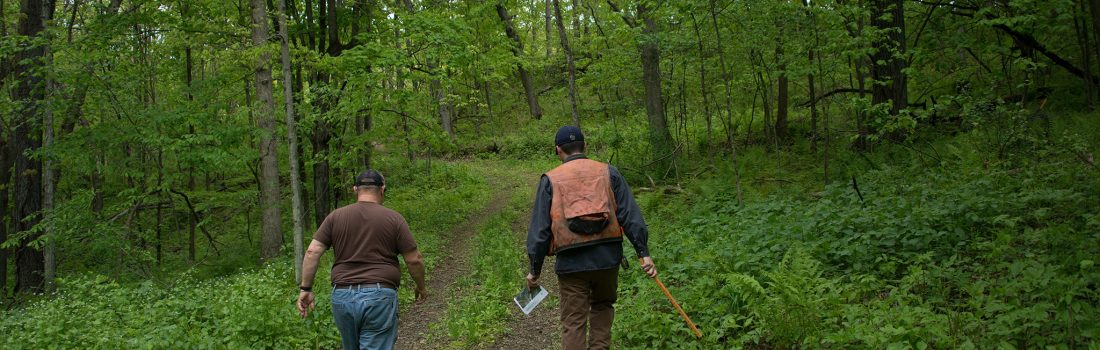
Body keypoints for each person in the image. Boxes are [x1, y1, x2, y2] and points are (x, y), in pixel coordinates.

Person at [525, 126, 657, 350]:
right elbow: (630, 214)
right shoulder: (609, 172)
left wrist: (534, 270)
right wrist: (643, 253)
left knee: (574, 322)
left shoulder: (550, 180)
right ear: (584, 146)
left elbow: (540, 231)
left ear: (558, 150)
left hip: (571, 263)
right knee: (603, 307)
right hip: (607, 259)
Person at [297, 170, 428, 350]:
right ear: (382, 189)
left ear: (355, 189)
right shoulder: (394, 219)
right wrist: (421, 286)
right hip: (379, 296)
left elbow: (312, 251)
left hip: (342, 296)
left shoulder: (335, 217)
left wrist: (306, 288)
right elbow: (414, 259)